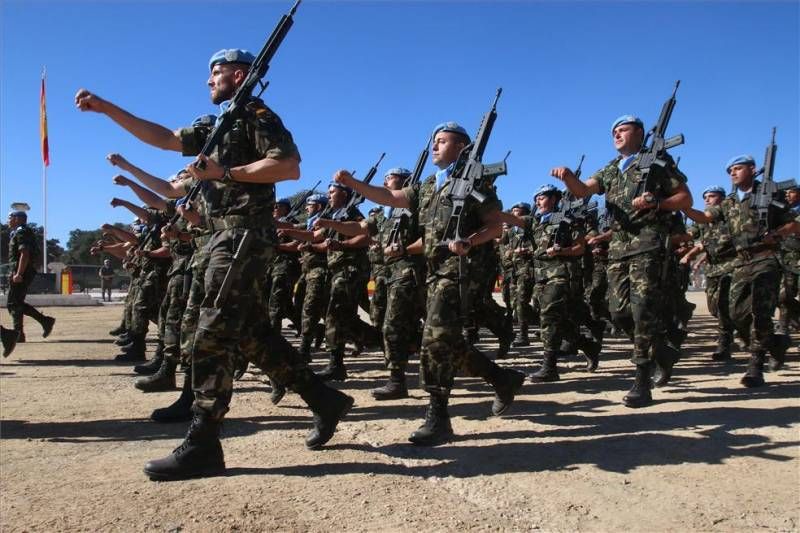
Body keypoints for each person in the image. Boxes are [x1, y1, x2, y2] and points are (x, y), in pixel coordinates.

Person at [76, 48, 353, 480]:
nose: (209, 80)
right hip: (218, 238)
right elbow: (165, 139)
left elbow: (287, 166)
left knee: (210, 332)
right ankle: (324, 399)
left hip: (243, 236)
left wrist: (225, 174)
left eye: (216, 72)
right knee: (252, 334)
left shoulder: (256, 115)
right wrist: (108, 109)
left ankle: (204, 443)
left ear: (239, 74)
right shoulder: (216, 126)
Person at [333, 121, 525, 445]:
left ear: (462, 147)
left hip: (461, 270)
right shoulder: (427, 187)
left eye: (442, 141)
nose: (435, 146)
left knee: (434, 341)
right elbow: (391, 196)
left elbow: (496, 228)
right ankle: (502, 378)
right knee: (446, 340)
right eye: (434, 141)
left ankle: (438, 417)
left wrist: (470, 240)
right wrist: (354, 183)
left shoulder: (478, 183)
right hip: (432, 271)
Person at [551, 114, 692, 407]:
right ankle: (662, 353)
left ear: (640, 134)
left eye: (623, 129)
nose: (616, 134)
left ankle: (642, 378)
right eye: (613, 130)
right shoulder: (612, 169)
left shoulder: (659, 163)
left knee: (642, 312)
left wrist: (658, 203)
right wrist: (568, 178)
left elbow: (685, 199)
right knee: (618, 313)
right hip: (618, 248)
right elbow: (583, 190)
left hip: (648, 244)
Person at [683, 155, 799, 386]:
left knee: (760, 311)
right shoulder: (730, 202)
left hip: (766, 259)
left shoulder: (770, 195)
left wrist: (776, 234)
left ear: (752, 170)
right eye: (730, 171)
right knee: (735, 313)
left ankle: (755, 366)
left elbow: (794, 223)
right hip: (741, 262)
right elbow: (705, 217)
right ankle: (775, 343)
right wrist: (683, 205)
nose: (733, 173)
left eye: (738, 168)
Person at [2, 210, 55, 357]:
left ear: (18, 219)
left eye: (10, 217)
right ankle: (25, 330)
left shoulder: (21, 232)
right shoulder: (21, 231)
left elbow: (25, 253)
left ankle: (17, 333)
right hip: (23, 270)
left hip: (22, 271)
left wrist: (19, 273)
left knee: (14, 303)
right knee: (16, 303)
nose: (8, 220)